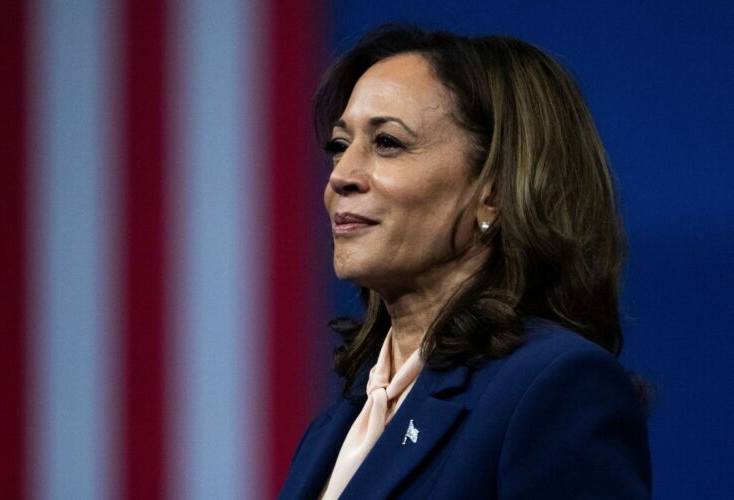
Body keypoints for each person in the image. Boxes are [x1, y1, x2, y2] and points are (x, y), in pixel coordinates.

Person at [279, 25, 651, 499]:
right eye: (338, 146)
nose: (342, 177)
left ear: (493, 193)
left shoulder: (554, 389)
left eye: (387, 143)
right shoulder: (337, 426)